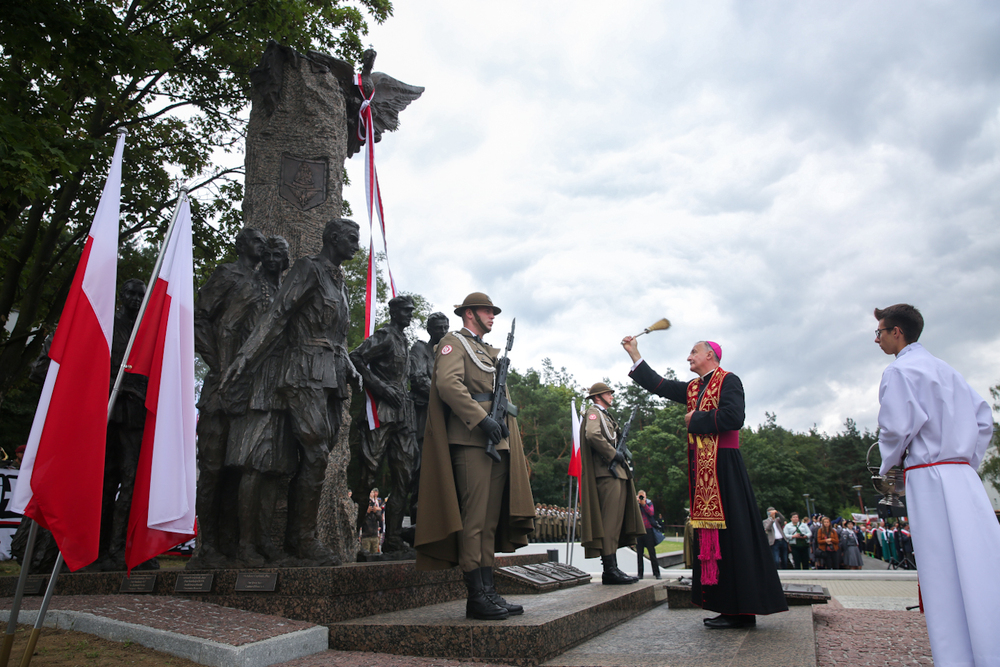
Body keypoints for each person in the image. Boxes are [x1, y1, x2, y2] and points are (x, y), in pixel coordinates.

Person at [622, 336, 786, 629]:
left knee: (734, 537)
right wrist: (635, 354)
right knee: (719, 540)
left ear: (710, 355)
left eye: (693, 352)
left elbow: (734, 417)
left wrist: (695, 420)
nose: (689, 357)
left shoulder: (729, 380)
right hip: (705, 472)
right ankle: (727, 607)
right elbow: (659, 385)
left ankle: (743, 611)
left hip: (725, 467)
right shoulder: (693, 388)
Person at [225, 219, 362, 566]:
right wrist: (245, 356)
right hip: (303, 372)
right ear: (333, 238)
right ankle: (304, 539)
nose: (356, 245)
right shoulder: (307, 269)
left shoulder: (340, 281)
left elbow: (337, 334)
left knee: (319, 456)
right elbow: (277, 314)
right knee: (316, 454)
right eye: (351, 239)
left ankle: (294, 538)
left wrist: (349, 365)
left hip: (332, 376)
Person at [873, 303, 1000, 665]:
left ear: (897, 332)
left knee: (942, 572)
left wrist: (888, 464)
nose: (877, 340)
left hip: (929, 476)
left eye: (879, 332)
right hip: (963, 477)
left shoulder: (899, 371)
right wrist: (964, 461)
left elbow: (896, 427)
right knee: (981, 564)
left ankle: (956, 657)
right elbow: (984, 420)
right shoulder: (947, 370)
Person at [413, 293, 535, 621]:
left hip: (496, 441)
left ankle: (489, 590)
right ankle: (476, 596)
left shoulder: (484, 349)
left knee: (489, 524)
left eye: (494, 311)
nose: (493, 316)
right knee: (475, 521)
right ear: (469, 313)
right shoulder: (454, 343)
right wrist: (482, 420)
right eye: (487, 311)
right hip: (471, 440)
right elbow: (448, 384)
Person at [192, 227, 266, 568]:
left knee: (238, 468)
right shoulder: (227, 274)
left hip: (251, 387)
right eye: (255, 241)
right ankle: (207, 546)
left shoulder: (265, 284)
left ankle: (231, 543)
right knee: (212, 468)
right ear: (241, 245)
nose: (261, 246)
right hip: (221, 385)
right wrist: (219, 364)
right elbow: (199, 318)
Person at [350, 295, 420, 553]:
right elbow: (356, 357)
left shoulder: (403, 340)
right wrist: (381, 388)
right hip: (381, 413)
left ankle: (392, 539)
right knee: (368, 474)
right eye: (406, 311)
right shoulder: (385, 336)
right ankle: (349, 539)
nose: (410, 315)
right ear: (394, 312)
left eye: (411, 311)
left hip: (403, 416)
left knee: (405, 476)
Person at [578, 382, 644, 584]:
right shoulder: (593, 413)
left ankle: (613, 567)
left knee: (615, 523)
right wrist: (613, 454)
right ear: (598, 396)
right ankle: (609, 570)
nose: (612, 396)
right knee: (609, 522)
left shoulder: (607, 416)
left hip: (616, 474)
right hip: (606, 474)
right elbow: (592, 435)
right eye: (608, 393)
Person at [636, 490, 661, 580]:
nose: (641, 498)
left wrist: (644, 504)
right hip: (639, 531)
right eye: (640, 496)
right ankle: (640, 574)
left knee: (652, 553)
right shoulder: (636, 504)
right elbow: (633, 513)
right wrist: (637, 503)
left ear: (645, 496)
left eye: (643, 496)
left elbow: (651, 513)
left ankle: (656, 573)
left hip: (648, 530)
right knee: (639, 554)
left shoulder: (649, 503)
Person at [361, 488, 382, 554]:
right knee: (366, 554)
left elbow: (380, 519)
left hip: (374, 535)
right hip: (366, 536)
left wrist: (375, 512)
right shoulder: (363, 509)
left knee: (375, 554)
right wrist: (367, 512)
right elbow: (360, 521)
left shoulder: (375, 506)